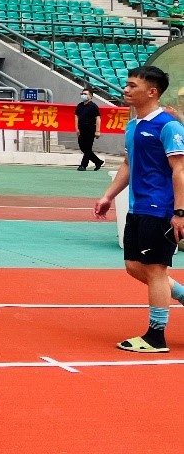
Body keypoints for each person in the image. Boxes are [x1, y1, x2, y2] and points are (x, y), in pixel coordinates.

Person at [94, 66, 184, 353]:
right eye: (127, 84)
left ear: (152, 91)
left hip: (160, 209)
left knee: (156, 270)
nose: (126, 89)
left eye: (133, 85)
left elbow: (180, 170)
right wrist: (108, 196)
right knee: (134, 267)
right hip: (138, 206)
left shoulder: (168, 126)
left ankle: (156, 336)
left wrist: (179, 212)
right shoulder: (133, 125)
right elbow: (128, 164)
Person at [75, 86, 103, 171]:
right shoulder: (80, 106)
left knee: (87, 148)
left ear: (90, 96)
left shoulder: (93, 106)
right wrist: (77, 128)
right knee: (83, 147)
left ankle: (83, 165)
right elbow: (76, 116)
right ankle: (98, 161)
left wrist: (97, 131)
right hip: (81, 129)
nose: (83, 95)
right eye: (82, 94)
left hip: (90, 129)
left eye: (85, 94)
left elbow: (98, 118)